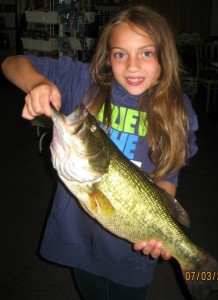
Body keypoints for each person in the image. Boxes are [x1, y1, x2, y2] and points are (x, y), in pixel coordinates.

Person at [1, 5, 198, 300]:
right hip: (78, 242)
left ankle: (203, 269)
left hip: (130, 253)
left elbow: (168, 178)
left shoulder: (178, 110)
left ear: (164, 57)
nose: (132, 66)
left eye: (146, 53)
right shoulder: (83, 84)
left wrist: (161, 230)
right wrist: (37, 82)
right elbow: (11, 62)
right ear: (108, 57)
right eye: (120, 54)